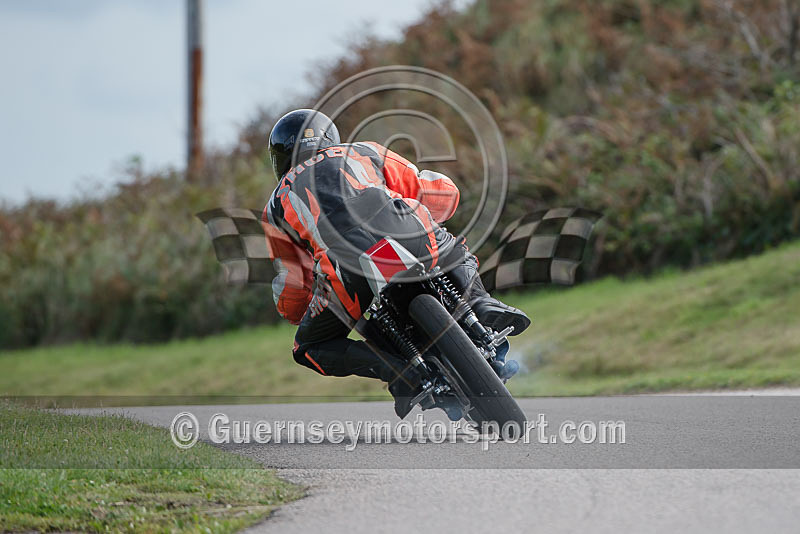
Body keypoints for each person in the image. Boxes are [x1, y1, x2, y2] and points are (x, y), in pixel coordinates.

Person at [262, 109, 530, 417]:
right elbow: (432, 189)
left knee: (306, 349)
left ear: (279, 158)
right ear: (329, 136)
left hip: (346, 269)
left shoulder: (275, 207)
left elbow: (294, 282)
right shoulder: (364, 150)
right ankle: (482, 303)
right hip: (409, 231)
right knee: (452, 246)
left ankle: (398, 373)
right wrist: (442, 207)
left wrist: (296, 310)